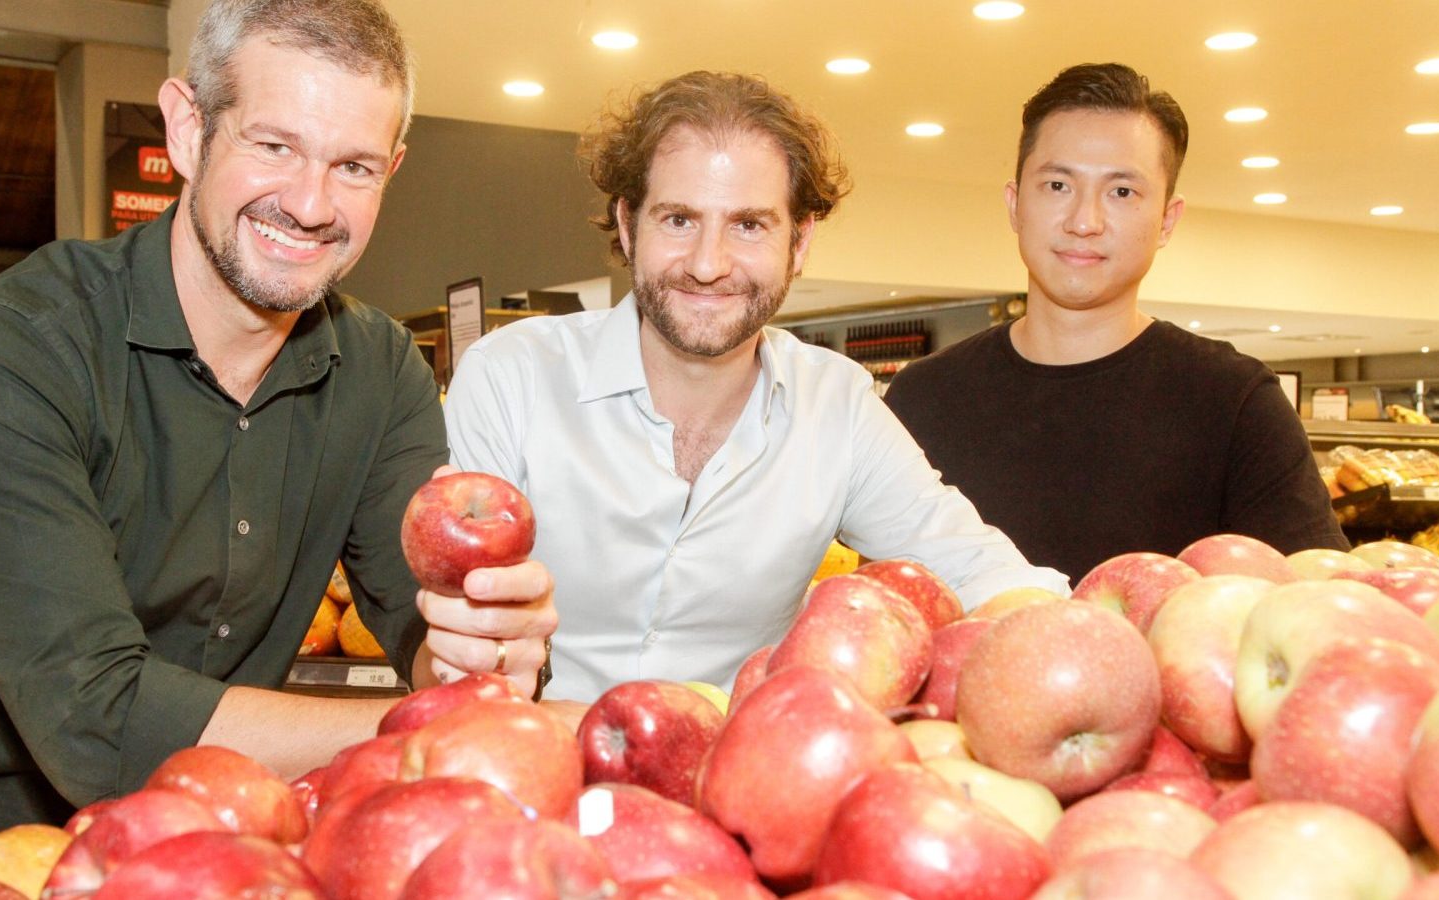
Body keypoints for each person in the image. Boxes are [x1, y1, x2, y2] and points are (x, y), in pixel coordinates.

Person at [0, 0, 555, 885]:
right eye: (274, 145)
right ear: (187, 128)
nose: (310, 203)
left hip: (206, 857)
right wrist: (432, 734)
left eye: (355, 166)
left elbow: (421, 626)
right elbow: (98, 726)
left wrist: (477, 647)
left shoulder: (380, 370)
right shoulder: (10, 348)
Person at [444, 71, 1068, 703]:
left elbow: (976, 568)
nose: (709, 264)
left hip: (737, 782)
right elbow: (455, 625)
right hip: (529, 762)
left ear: (799, 241)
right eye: (680, 219)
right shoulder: (512, 377)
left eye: (748, 225)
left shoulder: (837, 406)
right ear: (629, 226)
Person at [884, 63, 1347, 585]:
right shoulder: (923, 398)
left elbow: (1314, 606)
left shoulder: (1234, 401)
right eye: (1057, 185)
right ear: (1015, 205)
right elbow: (891, 607)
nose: (1085, 221)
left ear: (1167, 220)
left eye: (1122, 192)